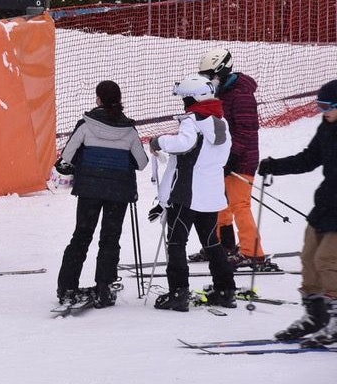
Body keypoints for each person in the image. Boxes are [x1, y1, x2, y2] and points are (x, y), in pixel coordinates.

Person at [53, 80, 148, 307]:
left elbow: (67, 156)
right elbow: (142, 162)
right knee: (110, 238)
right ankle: (104, 288)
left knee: (81, 236)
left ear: (98, 99)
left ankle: (67, 288)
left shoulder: (86, 125)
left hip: (89, 190)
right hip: (118, 191)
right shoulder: (129, 130)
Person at [257, 79, 337, 346]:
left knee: (327, 259)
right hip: (326, 204)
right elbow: (309, 159)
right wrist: (274, 166)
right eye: (319, 106)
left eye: (327, 106)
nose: (322, 111)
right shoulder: (326, 128)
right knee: (309, 258)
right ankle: (316, 317)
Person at [150, 74, 235, 311]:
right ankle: (225, 290)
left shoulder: (193, 120)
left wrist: (160, 141)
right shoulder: (221, 122)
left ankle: (178, 293)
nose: (183, 103)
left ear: (193, 99)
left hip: (187, 194)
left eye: (185, 98)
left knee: (176, 242)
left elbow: (184, 144)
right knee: (211, 242)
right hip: (211, 194)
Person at [194, 48, 269, 268]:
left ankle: (253, 252)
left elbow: (246, 131)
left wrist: (232, 158)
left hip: (242, 159)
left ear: (222, 71)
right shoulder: (221, 93)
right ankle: (223, 246)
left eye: (210, 75)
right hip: (225, 159)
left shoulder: (242, 95)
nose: (207, 80)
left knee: (239, 205)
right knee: (220, 205)